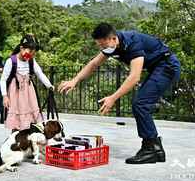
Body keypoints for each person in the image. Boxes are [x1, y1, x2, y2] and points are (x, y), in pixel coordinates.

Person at [58, 23, 181, 164]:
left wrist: (113, 98)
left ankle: (151, 149)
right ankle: (155, 149)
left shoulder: (133, 43)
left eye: (103, 46)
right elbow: (93, 64)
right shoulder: (111, 46)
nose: (102, 49)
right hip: (157, 68)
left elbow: (134, 77)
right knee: (140, 104)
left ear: (113, 38)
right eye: (99, 46)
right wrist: (75, 80)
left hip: (167, 66)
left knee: (140, 104)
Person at [0, 34, 54, 131]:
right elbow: (3, 79)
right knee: (16, 118)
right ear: (21, 48)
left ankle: (28, 137)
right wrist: (4, 96)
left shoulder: (31, 61)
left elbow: (39, 73)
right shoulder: (11, 61)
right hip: (15, 93)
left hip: (29, 93)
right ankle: (15, 137)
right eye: (29, 52)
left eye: (33, 54)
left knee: (32, 116)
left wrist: (49, 85)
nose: (30, 56)